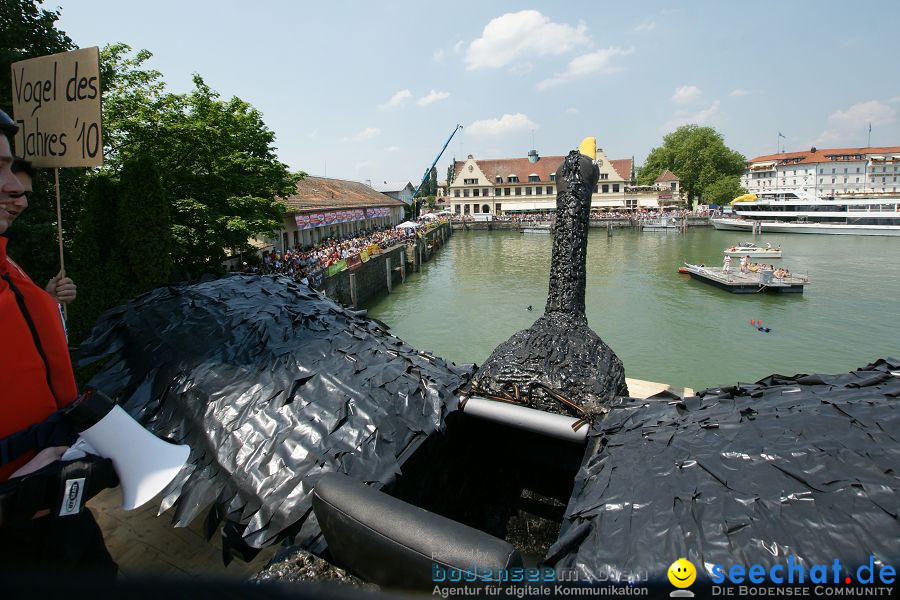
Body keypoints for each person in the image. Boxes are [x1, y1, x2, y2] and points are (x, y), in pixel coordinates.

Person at [0, 109, 117, 577]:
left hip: (57, 508)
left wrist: (47, 305)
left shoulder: (14, 273)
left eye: (10, 167)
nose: (18, 192)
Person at [10, 158, 77, 305]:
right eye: (12, 192)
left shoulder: (6, 259)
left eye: (26, 195)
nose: (23, 203)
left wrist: (49, 300)